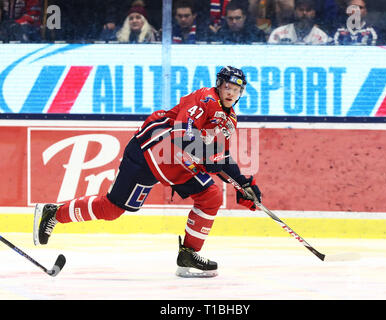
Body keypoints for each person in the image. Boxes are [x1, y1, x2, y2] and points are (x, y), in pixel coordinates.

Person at [33, 66, 262, 278]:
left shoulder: (230, 119)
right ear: (219, 85)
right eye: (227, 87)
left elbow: (219, 156)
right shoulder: (205, 99)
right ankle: (54, 213)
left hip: (171, 159)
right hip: (153, 147)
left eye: (236, 89)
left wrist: (243, 183)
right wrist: (206, 156)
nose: (231, 93)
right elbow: (183, 134)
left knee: (116, 208)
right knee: (204, 194)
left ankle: (188, 254)